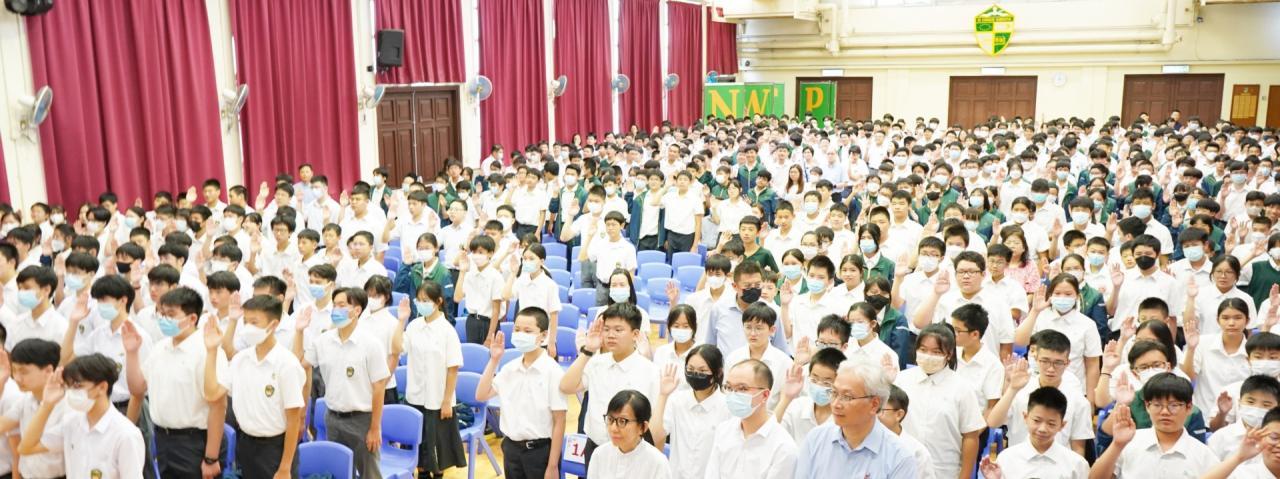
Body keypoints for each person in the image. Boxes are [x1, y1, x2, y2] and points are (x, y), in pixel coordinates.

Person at [125, 286, 229, 478]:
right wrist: (132, 353)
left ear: (192, 318)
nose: (164, 319)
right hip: (163, 438)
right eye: (162, 314)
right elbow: (137, 388)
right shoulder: (160, 348)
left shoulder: (208, 350)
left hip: (194, 442)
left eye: (171, 315)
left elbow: (218, 405)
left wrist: (211, 458)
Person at [204, 295, 306, 479]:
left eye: (254, 322)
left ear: (273, 325)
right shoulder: (240, 359)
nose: (248, 327)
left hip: (274, 448)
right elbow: (212, 394)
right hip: (245, 444)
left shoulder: (287, 364)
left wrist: (285, 468)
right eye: (245, 321)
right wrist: (212, 351)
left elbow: (294, 420)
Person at [296, 287, 390, 478]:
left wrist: (375, 427)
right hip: (333, 418)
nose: (335, 310)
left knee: (369, 473)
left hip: (362, 420)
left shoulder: (371, 344)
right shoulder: (323, 341)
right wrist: (299, 332)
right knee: (337, 473)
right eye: (334, 305)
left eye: (341, 305)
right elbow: (299, 364)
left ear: (357, 310)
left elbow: (379, 387)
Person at [559, 302, 658, 466]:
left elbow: (653, 421)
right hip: (594, 447)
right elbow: (566, 386)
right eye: (606, 329)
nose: (611, 335)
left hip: (631, 452)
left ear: (635, 334)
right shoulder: (596, 362)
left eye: (618, 330)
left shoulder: (650, 371)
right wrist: (588, 350)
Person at [17, 353, 145, 478]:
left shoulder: (126, 434)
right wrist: (47, 405)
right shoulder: (72, 422)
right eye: (68, 386)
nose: (72, 392)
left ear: (102, 387)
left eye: (78, 386)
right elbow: (26, 447)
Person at [476, 306, 567, 479]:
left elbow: (559, 421)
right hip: (511, 449)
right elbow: (481, 395)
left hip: (539, 452)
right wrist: (494, 360)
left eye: (527, 331)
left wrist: (553, 465)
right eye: (517, 330)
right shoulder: (510, 368)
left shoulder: (553, 371)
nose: (520, 334)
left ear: (543, 335)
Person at [794, 357, 919, 479]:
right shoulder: (816, 439)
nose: (836, 404)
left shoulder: (899, 457)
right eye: (834, 393)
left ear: (874, 404)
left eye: (847, 397)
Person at [894, 323, 985, 479]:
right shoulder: (901, 380)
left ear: (948, 354)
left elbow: (970, 436)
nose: (928, 355)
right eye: (923, 350)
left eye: (936, 352)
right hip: (904, 466)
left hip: (944, 470)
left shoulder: (962, 388)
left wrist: (964, 476)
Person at [1090, 373, 1217, 478]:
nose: (1165, 412)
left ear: (1189, 408)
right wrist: (1117, 445)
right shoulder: (1129, 442)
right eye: (1157, 405)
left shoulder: (1203, 455)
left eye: (1173, 405)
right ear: (1147, 406)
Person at [987, 330, 1094, 454]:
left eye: (1058, 362)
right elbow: (993, 422)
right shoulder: (1020, 388)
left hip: (1058, 462)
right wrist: (1012, 389)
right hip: (1019, 460)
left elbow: (1078, 447)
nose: (1051, 368)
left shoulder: (1078, 400)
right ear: (1036, 358)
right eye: (1045, 361)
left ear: (1067, 363)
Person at [402, 280, 467, 476]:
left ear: (438, 301)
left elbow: (453, 369)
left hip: (437, 400)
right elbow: (398, 348)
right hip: (415, 396)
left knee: (437, 452)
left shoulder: (447, 331)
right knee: (418, 448)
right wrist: (400, 321)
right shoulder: (414, 326)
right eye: (419, 300)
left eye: (426, 300)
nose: (421, 304)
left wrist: (447, 401)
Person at [704, 358, 797, 479]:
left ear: (764, 395)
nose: (733, 394)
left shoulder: (783, 447)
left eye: (742, 388)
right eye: (729, 388)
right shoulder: (724, 430)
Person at [651, 344, 729, 479]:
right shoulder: (677, 400)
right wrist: (663, 396)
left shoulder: (727, 406)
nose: (695, 374)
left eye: (702, 370)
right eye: (690, 369)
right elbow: (655, 436)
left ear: (718, 373)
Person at [980, 387, 1089, 479]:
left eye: (1051, 424)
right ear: (1025, 417)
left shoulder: (1077, 464)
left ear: (1062, 425)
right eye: (1037, 421)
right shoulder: (1006, 459)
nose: (1042, 429)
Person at [586, 390, 671, 478]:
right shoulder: (599, 454)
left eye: (622, 421)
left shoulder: (658, 463)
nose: (613, 428)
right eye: (610, 419)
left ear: (643, 427)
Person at [773, 346, 845, 443]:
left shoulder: (845, 415)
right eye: (814, 380)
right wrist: (786, 398)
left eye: (827, 383)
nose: (819, 386)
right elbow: (771, 432)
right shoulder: (798, 406)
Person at [1207, 375, 1280, 463]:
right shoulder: (1221, 437)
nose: (1257, 408)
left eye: (1266, 405)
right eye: (1250, 402)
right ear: (1239, 403)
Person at [454, 235, 503, 344]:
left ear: (490, 253)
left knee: (488, 353)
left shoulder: (496, 276)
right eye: (474, 252)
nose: (476, 256)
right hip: (471, 321)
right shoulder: (469, 274)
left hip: (488, 323)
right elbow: (457, 298)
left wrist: (490, 337)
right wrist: (462, 272)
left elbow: (496, 310)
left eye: (480, 252)